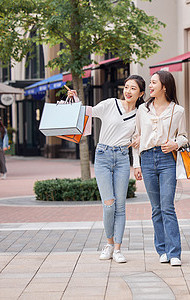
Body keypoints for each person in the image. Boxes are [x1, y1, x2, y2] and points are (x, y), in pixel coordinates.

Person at [67, 75, 145, 263]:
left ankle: (117, 248)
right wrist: (75, 99)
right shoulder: (111, 104)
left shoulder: (141, 114)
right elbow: (89, 112)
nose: (128, 91)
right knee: (108, 205)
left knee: (120, 206)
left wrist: (137, 164)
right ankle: (109, 244)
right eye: (126, 87)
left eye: (133, 88)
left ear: (141, 93)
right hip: (103, 156)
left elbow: (136, 140)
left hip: (121, 159)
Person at [133, 70, 188, 267]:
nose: (150, 86)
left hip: (167, 160)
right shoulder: (142, 110)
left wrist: (175, 143)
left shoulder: (177, 110)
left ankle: (174, 253)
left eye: (154, 83)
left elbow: (184, 136)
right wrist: (136, 164)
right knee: (156, 209)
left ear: (164, 86)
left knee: (167, 207)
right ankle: (162, 250)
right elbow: (136, 138)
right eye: (150, 82)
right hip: (147, 159)